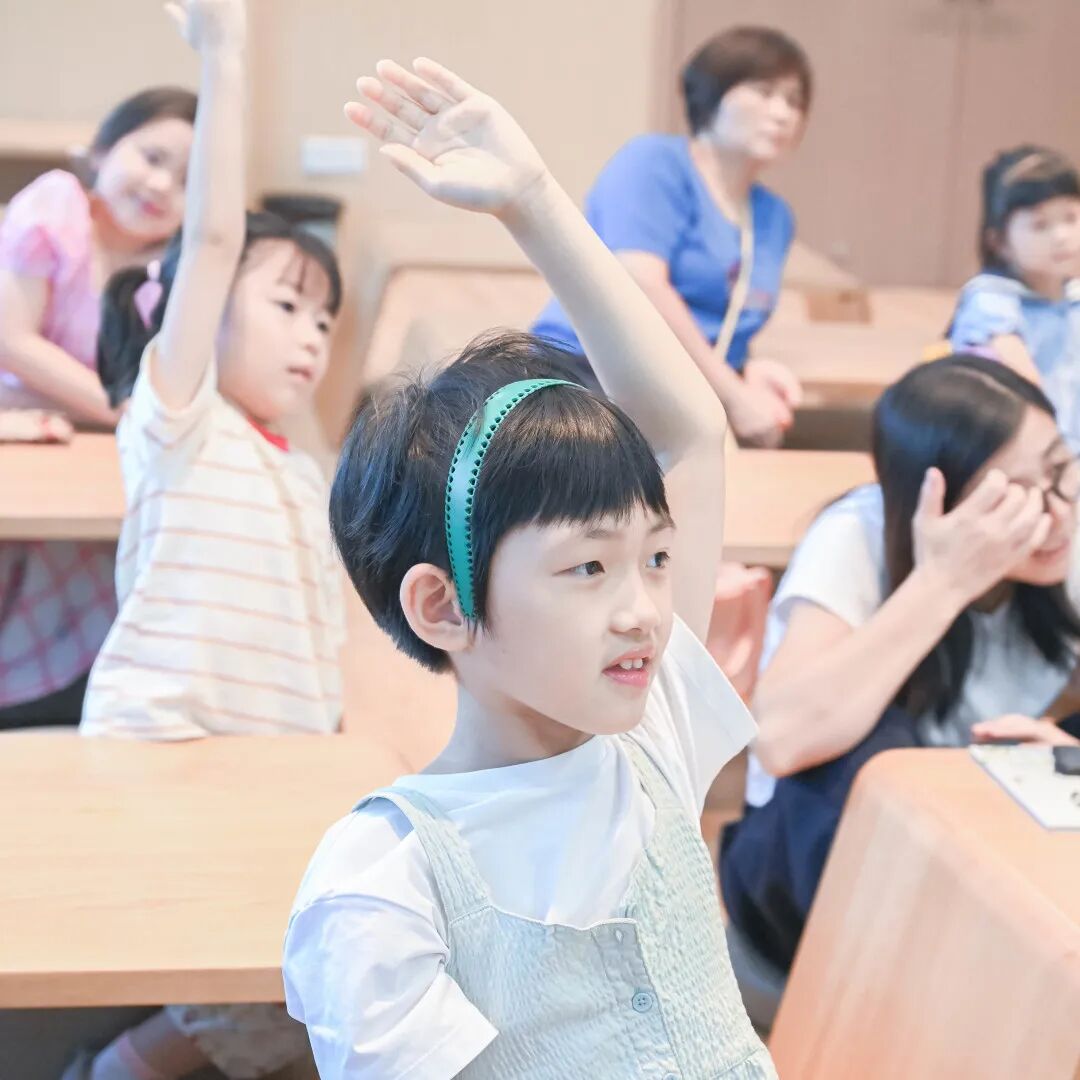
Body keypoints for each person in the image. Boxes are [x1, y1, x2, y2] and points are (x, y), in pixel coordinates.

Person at [283, 56, 775, 1078]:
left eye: (656, 557)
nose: (645, 611)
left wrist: (537, 203)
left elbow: (690, 435)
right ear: (443, 606)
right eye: (588, 568)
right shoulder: (383, 882)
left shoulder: (651, 736)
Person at [69, 1, 341, 1076]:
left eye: (325, 320)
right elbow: (217, 238)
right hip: (170, 754)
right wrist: (224, 52)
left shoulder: (294, 463)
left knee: (277, 986)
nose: (313, 336)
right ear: (201, 302)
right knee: (242, 996)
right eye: (287, 306)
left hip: (263, 765)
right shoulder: (179, 419)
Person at [720, 355, 1080, 1012]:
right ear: (933, 503)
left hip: (969, 841)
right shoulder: (858, 536)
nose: (1055, 513)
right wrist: (945, 580)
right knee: (861, 752)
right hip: (816, 873)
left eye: (1060, 468)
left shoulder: (1065, 526)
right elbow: (782, 740)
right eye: (1012, 499)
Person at [0, 83, 196, 728]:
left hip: (76, 455)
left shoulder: (168, 275)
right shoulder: (58, 204)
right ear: (104, 149)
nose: (162, 186)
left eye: (189, 180)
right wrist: (120, 408)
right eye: (153, 157)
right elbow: (11, 339)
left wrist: (47, 397)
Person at [532, 25, 811, 447]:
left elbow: (725, 314)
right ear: (712, 94)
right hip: (587, 380)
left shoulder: (775, 217)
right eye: (764, 92)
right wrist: (733, 394)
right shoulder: (653, 164)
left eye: (794, 101)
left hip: (688, 394)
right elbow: (643, 285)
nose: (783, 113)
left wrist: (746, 371)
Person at [950, 146, 1080, 450]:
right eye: (1040, 225)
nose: (1061, 236)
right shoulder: (991, 304)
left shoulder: (1074, 297)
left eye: (1071, 218)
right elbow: (1025, 394)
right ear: (999, 242)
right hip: (1022, 457)